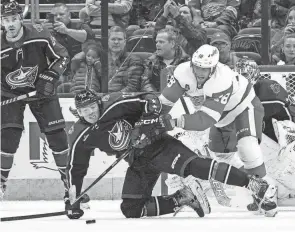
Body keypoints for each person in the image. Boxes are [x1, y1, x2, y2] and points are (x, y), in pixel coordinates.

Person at [64, 89, 277, 220]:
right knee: (131, 208)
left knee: (197, 166)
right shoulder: (81, 134)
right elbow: (76, 167)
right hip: (137, 161)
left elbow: (151, 100)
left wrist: (146, 124)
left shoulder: (114, 103)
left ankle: (254, 184)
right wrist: (71, 198)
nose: (90, 112)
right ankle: (183, 197)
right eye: (84, 110)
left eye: (92, 106)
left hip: (159, 145)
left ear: (98, 102)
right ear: (77, 112)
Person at [156, 44, 278, 216]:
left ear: (213, 69)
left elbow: (205, 120)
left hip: (243, 107)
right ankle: (253, 184)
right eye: (197, 66)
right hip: (220, 116)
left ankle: (266, 193)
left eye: (204, 68)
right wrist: (153, 119)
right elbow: (164, 103)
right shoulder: (183, 72)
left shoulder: (222, 79)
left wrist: (173, 121)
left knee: (247, 147)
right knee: (220, 158)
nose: (199, 72)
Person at [0, 1, 69, 200]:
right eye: (6, 20)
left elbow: (63, 57)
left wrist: (49, 78)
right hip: (10, 94)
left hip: (42, 91)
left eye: (14, 19)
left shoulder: (40, 34)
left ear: (21, 19)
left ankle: (70, 185)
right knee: (8, 138)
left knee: (58, 137)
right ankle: (1, 182)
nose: (10, 24)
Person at [43, 3, 95, 83]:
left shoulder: (79, 25)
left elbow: (88, 35)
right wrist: (41, 32)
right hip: (56, 73)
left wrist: (67, 31)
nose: (58, 17)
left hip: (79, 72)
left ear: (69, 16)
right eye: (55, 15)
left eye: (61, 14)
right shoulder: (47, 30)